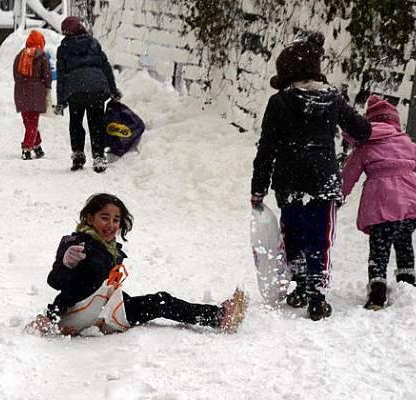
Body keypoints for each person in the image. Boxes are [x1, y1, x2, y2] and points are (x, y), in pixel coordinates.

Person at [250, 32, 372, 321]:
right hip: (323, 180)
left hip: (290, 181)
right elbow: (362, 130)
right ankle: (317, 295)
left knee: (293, 233)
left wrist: (258, 188)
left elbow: (266, 148)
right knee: (320, 238)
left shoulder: (278, 103)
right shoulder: (333, 100)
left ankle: (300, 285)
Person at [28, 193, 247, 336]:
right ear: (89, 218)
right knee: (161, 302)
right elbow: (58, 283)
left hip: (99, 307)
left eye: (116, 220)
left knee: (153, 301)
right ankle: (219, 317)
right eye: (105, 217)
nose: (111, 225)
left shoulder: (110, 248)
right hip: (81, 313)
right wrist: (65, 267)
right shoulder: (77, 244)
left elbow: (100, 285)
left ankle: (217, 315)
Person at [342, 95, 416, 309]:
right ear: (395, 122)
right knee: (404, 241)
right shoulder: (407, 143)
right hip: (410, 205)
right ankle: (407, 282)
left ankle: (377, 290)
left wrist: (336, 197)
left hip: (381, 206)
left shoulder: (365, 147)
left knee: (379, 248)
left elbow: (348, 176)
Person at [54, 16, 122, 173]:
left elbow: (62, 76)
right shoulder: (93, 43)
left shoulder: (64, 48)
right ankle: (98, 157)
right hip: (96, 89)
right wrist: (113, 89)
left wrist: (61, 101)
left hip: (75, 91)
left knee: (76, 123)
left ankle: (78, 155)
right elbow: (106, 68)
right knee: (96, 123)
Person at [13, 30, 52, 160]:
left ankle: (37, 146)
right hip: (36, 92)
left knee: (28, 121)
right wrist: (47, 87)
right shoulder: (42, 55)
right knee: (33, 122)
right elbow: (47, 74)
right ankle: (27, 148)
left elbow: (15, 73)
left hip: (21, 91)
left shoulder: (20, 55)